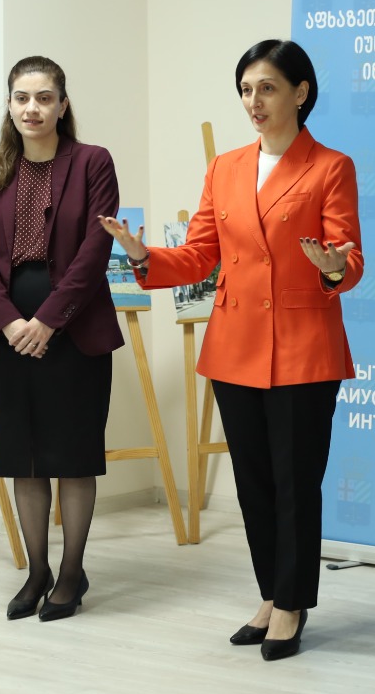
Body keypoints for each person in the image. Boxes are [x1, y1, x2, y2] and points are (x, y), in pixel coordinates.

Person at [100, 39, 361, 661]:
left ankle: (292, 604)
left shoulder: (331, 166)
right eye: (246, 89)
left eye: (267, 88)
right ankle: (270, 594)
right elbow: (200, 255)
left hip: (302, 346)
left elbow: (348, 259)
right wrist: (142, 256)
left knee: (295, 482)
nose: (254, 101)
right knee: (254, 483)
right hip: (236, 344)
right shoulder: (225, 167)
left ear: (300, 92)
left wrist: (331, 266)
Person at [0, 55, 123, 622]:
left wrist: (50, 320)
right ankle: (37, 571)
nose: (31, 108)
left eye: (43, 97)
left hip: (74, 325)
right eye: (21, 97)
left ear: (62, 105)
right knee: (25, 458)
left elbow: (94, 252)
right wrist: (10, 322)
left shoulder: (92, 162)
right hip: (10, 327)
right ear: (9, 105)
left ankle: (72, 572)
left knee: (73, 456)